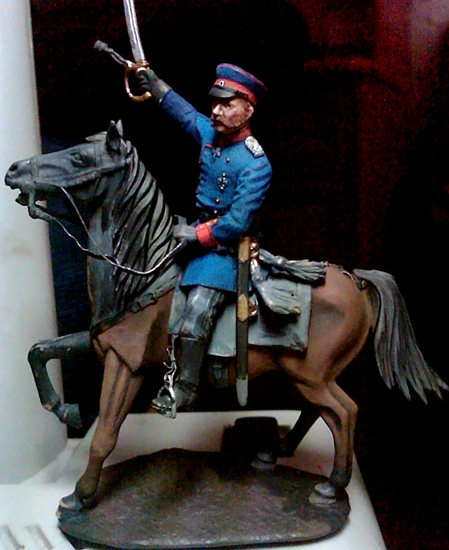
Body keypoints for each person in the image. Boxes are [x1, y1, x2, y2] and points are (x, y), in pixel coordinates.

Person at [136, 63, 272, 417]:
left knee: (195, 315)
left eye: (227, 104)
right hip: (193, 236)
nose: (216, 111)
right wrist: (155, 84)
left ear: (248, 110)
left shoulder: (256, 164)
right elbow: (184, 114)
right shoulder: (211, 134)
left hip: (225, 252)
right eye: (215, 102)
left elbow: (236, 223)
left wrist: (195, 234)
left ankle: (183, 389)